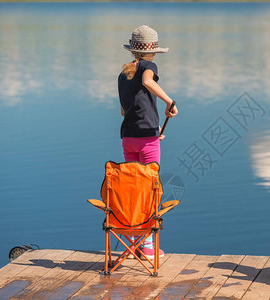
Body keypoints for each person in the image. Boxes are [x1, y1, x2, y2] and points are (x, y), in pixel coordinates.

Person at [118, 25, 178, 260]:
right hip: (147, 139)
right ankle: (148, 247)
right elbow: (148, 82)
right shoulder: (148, 67)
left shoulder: (123, 74)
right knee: (151, 191)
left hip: (129, 138)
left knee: (133, 189)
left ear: (133, 50)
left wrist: (154, 132)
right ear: (152, 52)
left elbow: (125, 111)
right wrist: (169, 101)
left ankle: (132, 243)